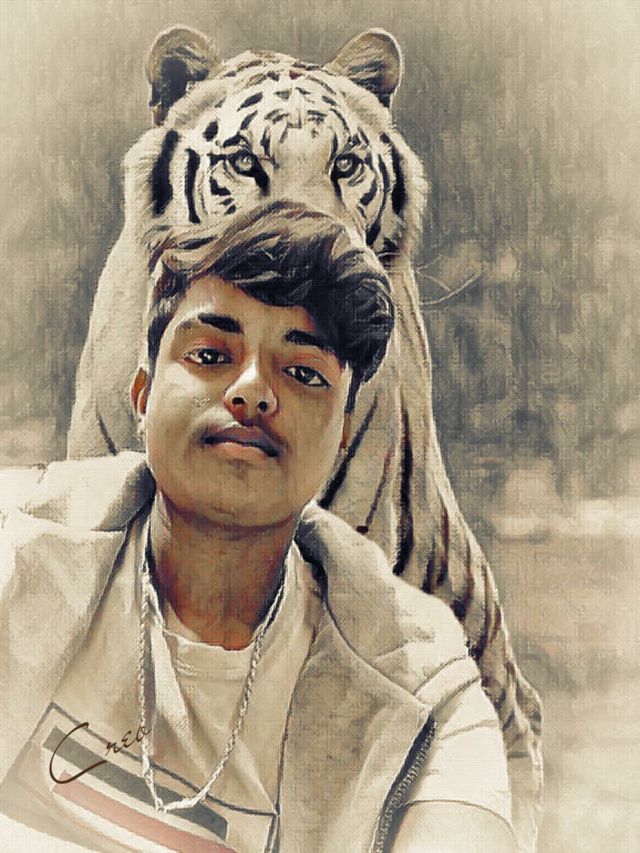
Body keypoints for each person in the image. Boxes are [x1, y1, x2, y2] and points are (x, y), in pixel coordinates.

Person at [0, 208, 515, 852]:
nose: (251, 391)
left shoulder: (422, 685)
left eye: (303, 373)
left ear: (342, 435)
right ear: (142, 394)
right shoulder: (17, 544)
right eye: (211, 355)